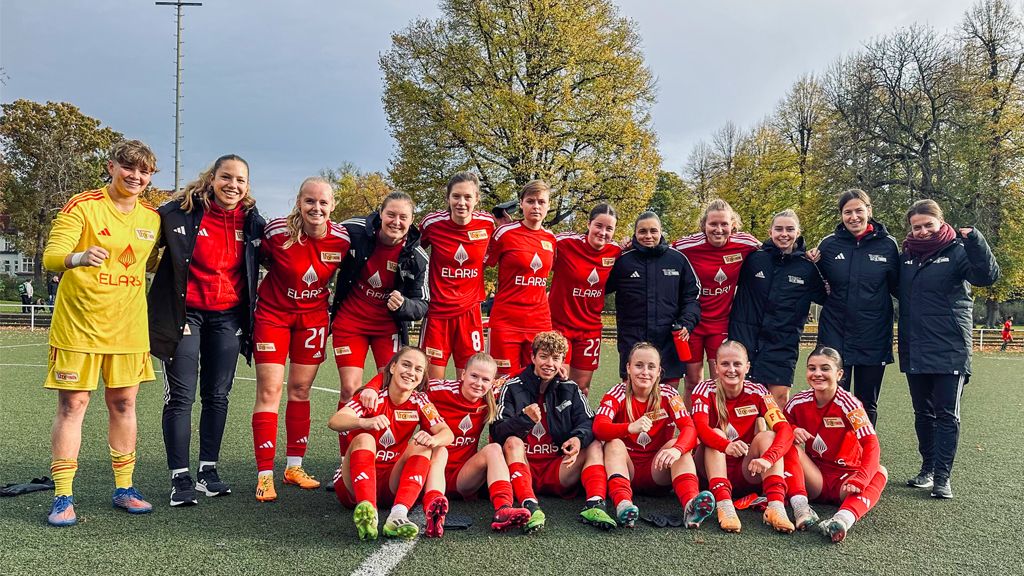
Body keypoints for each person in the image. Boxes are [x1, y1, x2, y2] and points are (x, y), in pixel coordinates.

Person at [41, 140, 161, 526]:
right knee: (73, 406)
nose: (136, 177)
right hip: (79, 327)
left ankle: (124, 488)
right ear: (111, 167)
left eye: (144, 172)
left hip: (128, 330)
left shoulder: (152, 219)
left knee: (124, 405)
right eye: (129, 168)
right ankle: (63, 497)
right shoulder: (83, 205)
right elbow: (50, 256)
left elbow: (160, 259)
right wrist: (78, 257)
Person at [149, 154, 265, 506]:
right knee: (181, 396)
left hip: (228, 318)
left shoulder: (252, 222)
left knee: (218, 395)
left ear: (247, 186)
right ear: (212, 179)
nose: (233, 185)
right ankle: (180, 477)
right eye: (226, 177)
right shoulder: (177, 213)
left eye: (240, 180)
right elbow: (141, 246)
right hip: (186, 316)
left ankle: (207, 471)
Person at [250, 178, 351, 502]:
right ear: (298, 202)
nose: (316, 208)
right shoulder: (277, 232)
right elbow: (258, 260)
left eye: (323, 203)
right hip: (273, 316)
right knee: (270, 390)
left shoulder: (342, 240)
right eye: (310, 201)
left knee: (301, 390)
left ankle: (294, 466)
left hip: (312, 320)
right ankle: (265, 474)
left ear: (332, 205)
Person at [363, 352, 532, 536]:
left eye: (485, 379)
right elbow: (404, 377)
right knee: (440, 449)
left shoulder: (489, 395)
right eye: (474, 376)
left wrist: (555, 370)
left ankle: (503, 509)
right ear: (463, 374)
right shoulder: (438, 389)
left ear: (492, 383)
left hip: (462, 476)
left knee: (493, 449)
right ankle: (433, 509)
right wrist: (372, 386)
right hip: (428, 471)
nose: (478, 383)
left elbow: (518, 376)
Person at [898, 199, 998, 499]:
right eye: (917, 227)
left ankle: (943, 477)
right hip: (915, 347)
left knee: (946, 415)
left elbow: (987, 276)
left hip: (950, 348)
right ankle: (927, 469)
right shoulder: (905, 258)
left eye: (929, 224)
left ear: (941, 224)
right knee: (922, 413)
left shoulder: (958, 251)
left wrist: (976, 241)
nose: (923, 231)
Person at [490, 331, 614, 532]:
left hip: (558, 468)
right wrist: (523, 419)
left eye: (555, 358)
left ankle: (595, 503)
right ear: (533, 357)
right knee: (512, 441)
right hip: (523, 465)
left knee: (593, 443)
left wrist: (577, 439)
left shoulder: (569, 388)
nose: (549, 363)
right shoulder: (512, 387)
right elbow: (497, 432)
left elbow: (588, 422)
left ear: (562, 362)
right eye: (544, 356)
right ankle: (528, 504)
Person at [328, 347, 453, 540]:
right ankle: (369, 511)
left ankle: (398, 514)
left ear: (422, 377)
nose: (411, 372)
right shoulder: (372, 397)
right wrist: (364, 422)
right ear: (393, 367)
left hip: (390, 484)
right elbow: (335, 421)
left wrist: (433, 439)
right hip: (352, 485)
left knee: (424, 444)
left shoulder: (420, 401)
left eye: (418, 369)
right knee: (365, 437)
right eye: (406, 364)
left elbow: (447, 434)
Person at [593, 342, 715, 528]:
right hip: (627, 468)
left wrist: (677, 450)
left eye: (651, 367)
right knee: (613, 443)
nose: (645, 372)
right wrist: (629, 427)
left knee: (678, 445)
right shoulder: (617, 393)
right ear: (628, 368)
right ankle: (623, 505)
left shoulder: (669, 394)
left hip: (658, 469)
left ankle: (691, 507)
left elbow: (689, 428)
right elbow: (599, 427)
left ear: (659, 371)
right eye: (639, 365)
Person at [808, 190, 899, 427]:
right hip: (835, 333)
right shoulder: (828, 245)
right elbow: (817, 288)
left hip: (874, 334)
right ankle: (831, 453)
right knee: (833, 397)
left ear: (869, 211)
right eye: (848, 212)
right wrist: (811, 264)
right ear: (841, 215)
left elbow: (899, 287)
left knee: (866, 401)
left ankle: (864, 454)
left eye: (859, 210)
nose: (854, 217)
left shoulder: (888, 245)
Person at [330, 192, 428, 403]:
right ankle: (350, 436)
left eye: (403, 217)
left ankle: (382, 435)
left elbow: (422, 304)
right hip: (350, 322)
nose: (396, 222)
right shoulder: (353, 229)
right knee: (350, 389)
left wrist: (404, 305)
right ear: (380, 213)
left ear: (412, 221)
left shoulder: (417, 257)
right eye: (391, 214)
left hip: (387, 328)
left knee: (391, 387)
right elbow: (324, 240)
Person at [783, 346, 888, 543]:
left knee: (880, 471)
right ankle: (801, 509)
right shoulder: (799, 401)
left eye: (825, 368)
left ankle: (842, 519)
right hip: (815, 479)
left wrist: (861, 479)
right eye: (812, 368)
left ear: (839, 374)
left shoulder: (850, 404)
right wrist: (792, 428)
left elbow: (871, 443)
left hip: (847, 482)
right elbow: (780, 425)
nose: (817, 374)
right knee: (788, 443)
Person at [690, 340, 795, 534]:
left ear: (747, 367)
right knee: (716, 432)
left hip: (747, 470)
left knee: (767, 436)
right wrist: (725, 445)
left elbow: (785, 430)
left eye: (737, 364)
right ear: (715, 366)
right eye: (725, 364)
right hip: (709, 471)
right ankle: (724, 505)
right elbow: (700, 428)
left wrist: (768, 457)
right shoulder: (703, 390)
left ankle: (776, 507)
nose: (731, 370)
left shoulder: (758, 392)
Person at [728, 209, 826, 408]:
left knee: (777, 401)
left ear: (798, 232)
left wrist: (821, 263)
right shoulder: (753, 258)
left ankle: (776, 440)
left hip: (782, 345)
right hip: (745, 340)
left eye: (790, 229)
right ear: (770, 231)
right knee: (744, 404)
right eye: (779, 229)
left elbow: (826, 296)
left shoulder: (807, 267)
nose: (784, 234)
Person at [673, 199, 760, 405]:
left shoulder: (746, 244)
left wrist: (808, 255)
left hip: (720, 323)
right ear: (704, 225)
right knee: (693, 381)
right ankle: (692, 429)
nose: (719, 229)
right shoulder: (687, 245)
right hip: (693, 324)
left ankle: (717, 427)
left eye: (724, 224)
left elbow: (774, 249)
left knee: (719, 380)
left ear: (733, 225)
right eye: (713, 224)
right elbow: (660, 251)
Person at [607, 211, 700, 387]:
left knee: (666, 399)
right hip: (632, 340)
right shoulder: (623, 261)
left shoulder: (677, 259)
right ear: (635, 233)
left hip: (668, 341)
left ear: (660, 232)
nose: (648, 236)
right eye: (642, 231)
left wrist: (686, 323)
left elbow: (692, 296)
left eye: (653, 231)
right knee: (634, 400)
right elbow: (598, 287)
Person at [418, 172, 495, 380]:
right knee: (432, 385)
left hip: (470, 315)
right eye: (456, 196)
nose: (461, 202)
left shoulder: (487, 224)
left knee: (470, 383)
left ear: (476, 199)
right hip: (437, 314)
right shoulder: (432, 224)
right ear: (448, 198)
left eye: (468, 197)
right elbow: (411, 252)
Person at [485, 180, 557, 380]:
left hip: (539, 322)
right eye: (530, 201)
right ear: (521, 203)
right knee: (501, 381)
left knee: (537, 379)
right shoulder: (505, 233)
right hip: (506, 321)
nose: (536, 206)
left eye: (541, 202)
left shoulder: (551, 239)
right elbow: (479, 263)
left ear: (548, 205)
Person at [549, 203, 622, 395]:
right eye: (599, 226)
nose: (603, 232)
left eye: (609, 229)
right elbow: (537, 240)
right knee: (555, 385)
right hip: (559, 326)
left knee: (581, 389)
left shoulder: (615, 252)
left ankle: (577, 425)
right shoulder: (565, 243)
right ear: (589, 224)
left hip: (589, 330)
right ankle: (549, 426)